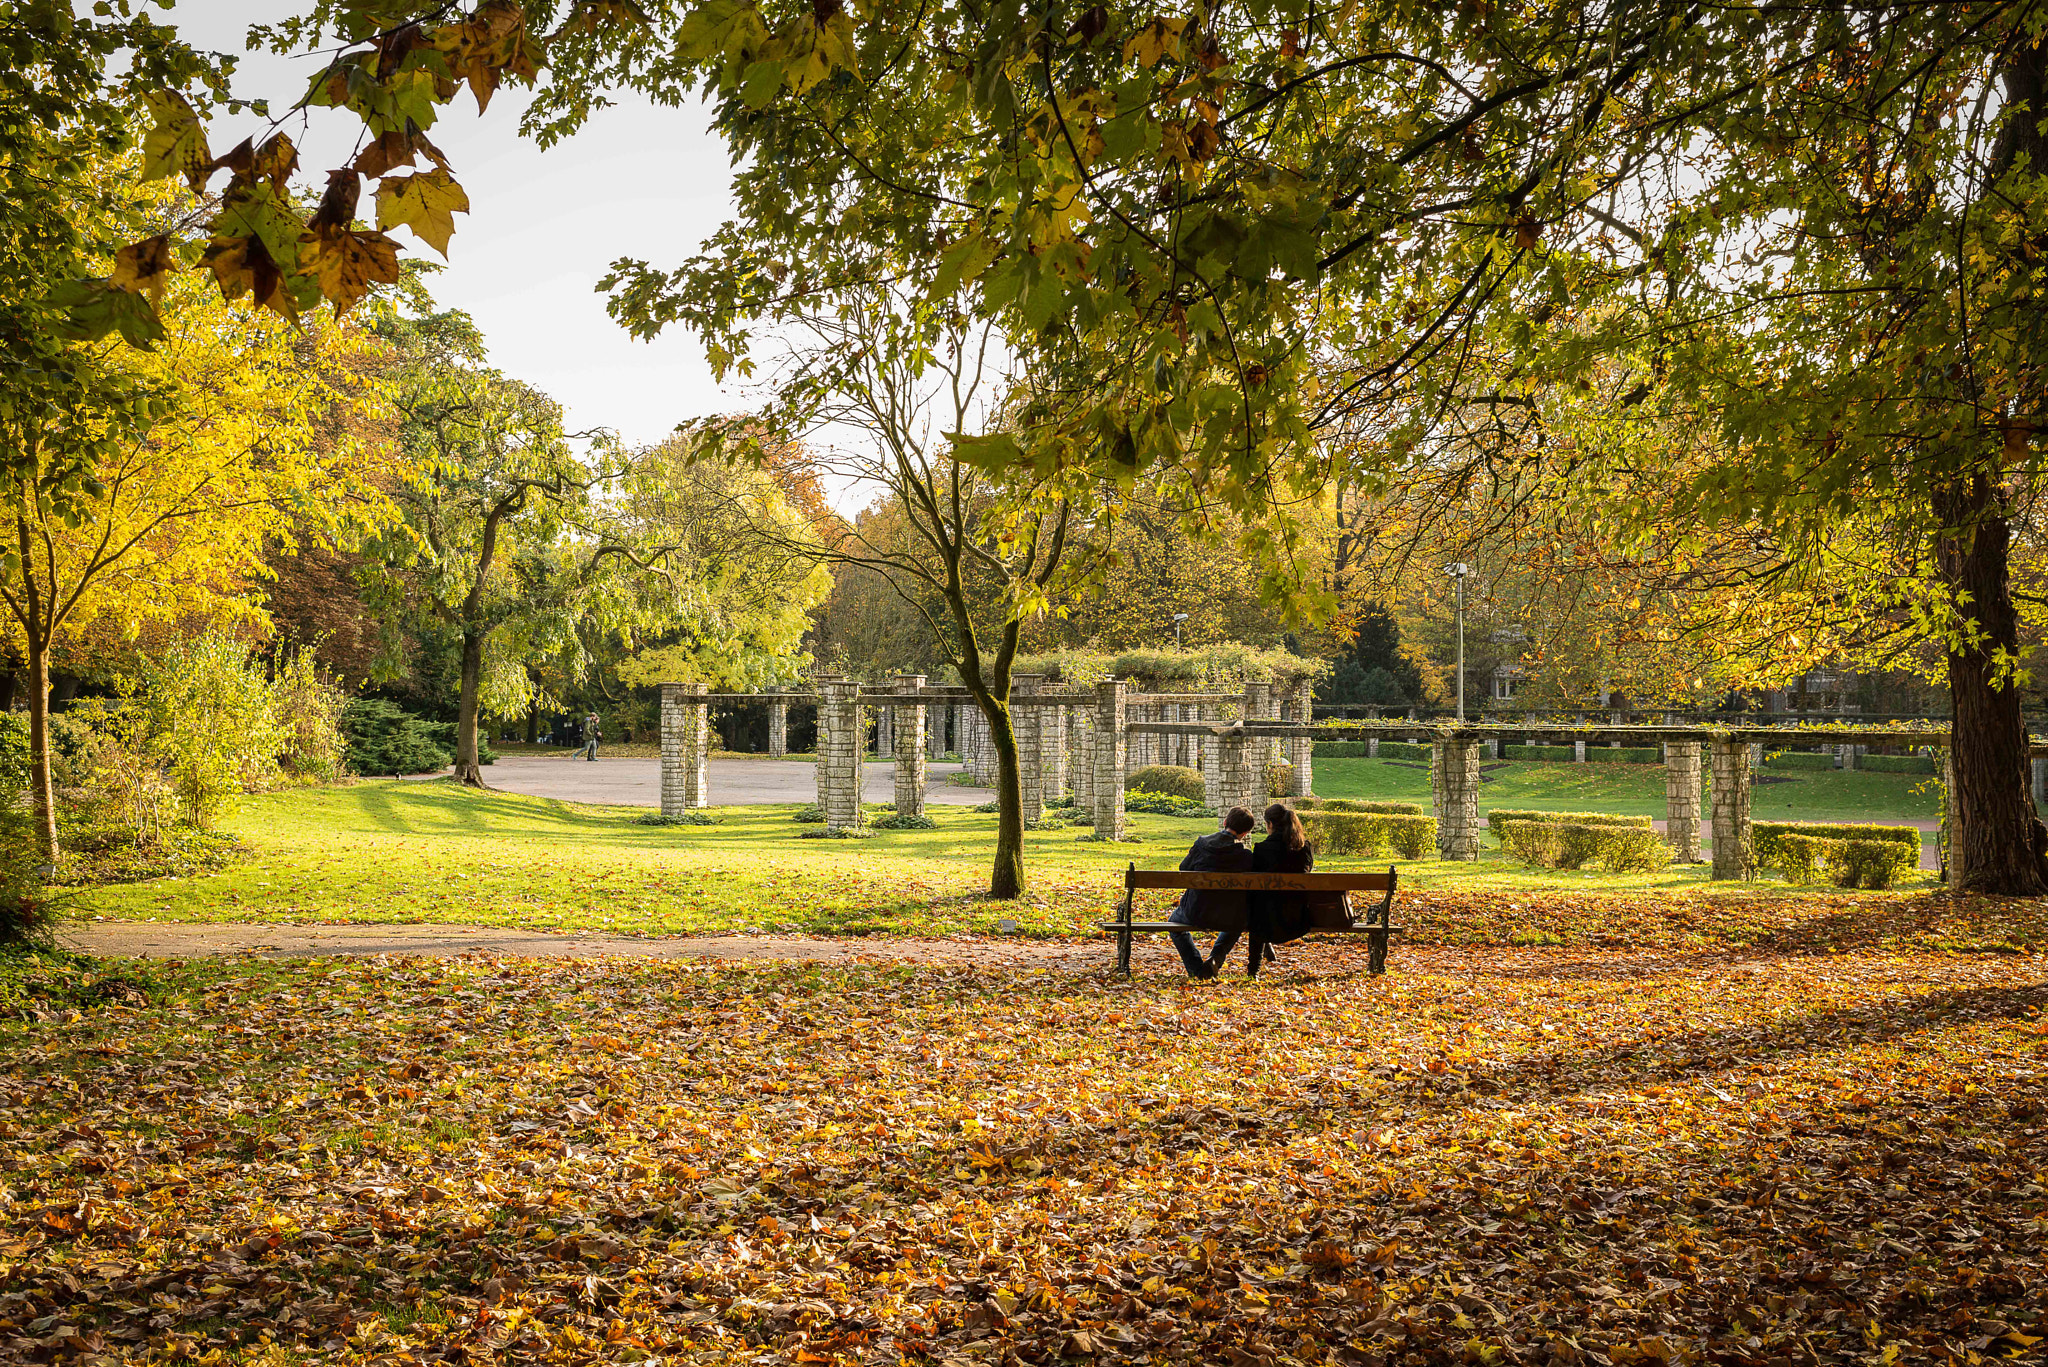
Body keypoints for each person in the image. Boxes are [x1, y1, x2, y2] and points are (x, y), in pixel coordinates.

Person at [1166, 806, 1256, 979]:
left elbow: (1184, 869)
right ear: (1245, 833)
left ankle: (1196, 969)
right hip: (1229, 914)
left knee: (1174, 924)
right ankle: (1216, 958)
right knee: (1238, 922)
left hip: (1196, 911)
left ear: (1225, 822)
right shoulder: (1244, 856)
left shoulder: (1201, 844)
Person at [1236, 802, 1318, 978]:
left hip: (1265, 921)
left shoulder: (1262, 850)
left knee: (1258, 902)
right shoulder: (1305, 849)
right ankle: (1264, 950)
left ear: (1270, 825)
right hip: (1298, 918)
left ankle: (1253, 970)